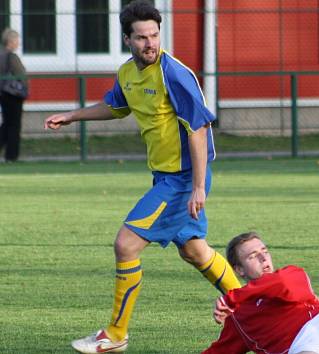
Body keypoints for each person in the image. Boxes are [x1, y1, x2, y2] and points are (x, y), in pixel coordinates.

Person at [44, 1, 241, 352]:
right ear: (127, 39)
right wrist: (72, 116)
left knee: (126, 244)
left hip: (181, 180)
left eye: (154, 35)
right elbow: (117, 106)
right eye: (141, 37)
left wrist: (197, 186)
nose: (150, 43)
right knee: (195, 252)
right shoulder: (127, 73)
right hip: (164, 177)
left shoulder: (174, 73)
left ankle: (116, 334)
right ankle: (255, 305)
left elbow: (197, 128)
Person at [0, 28, 27, 162]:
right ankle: (12, 155)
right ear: (11, 41)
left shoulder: (1, 55)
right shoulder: (11, 56)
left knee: (6, 124)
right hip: (13, 94)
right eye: (17, 40)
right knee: (14, 125)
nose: (18, 43)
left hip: (3, 94)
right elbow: (21, 75)